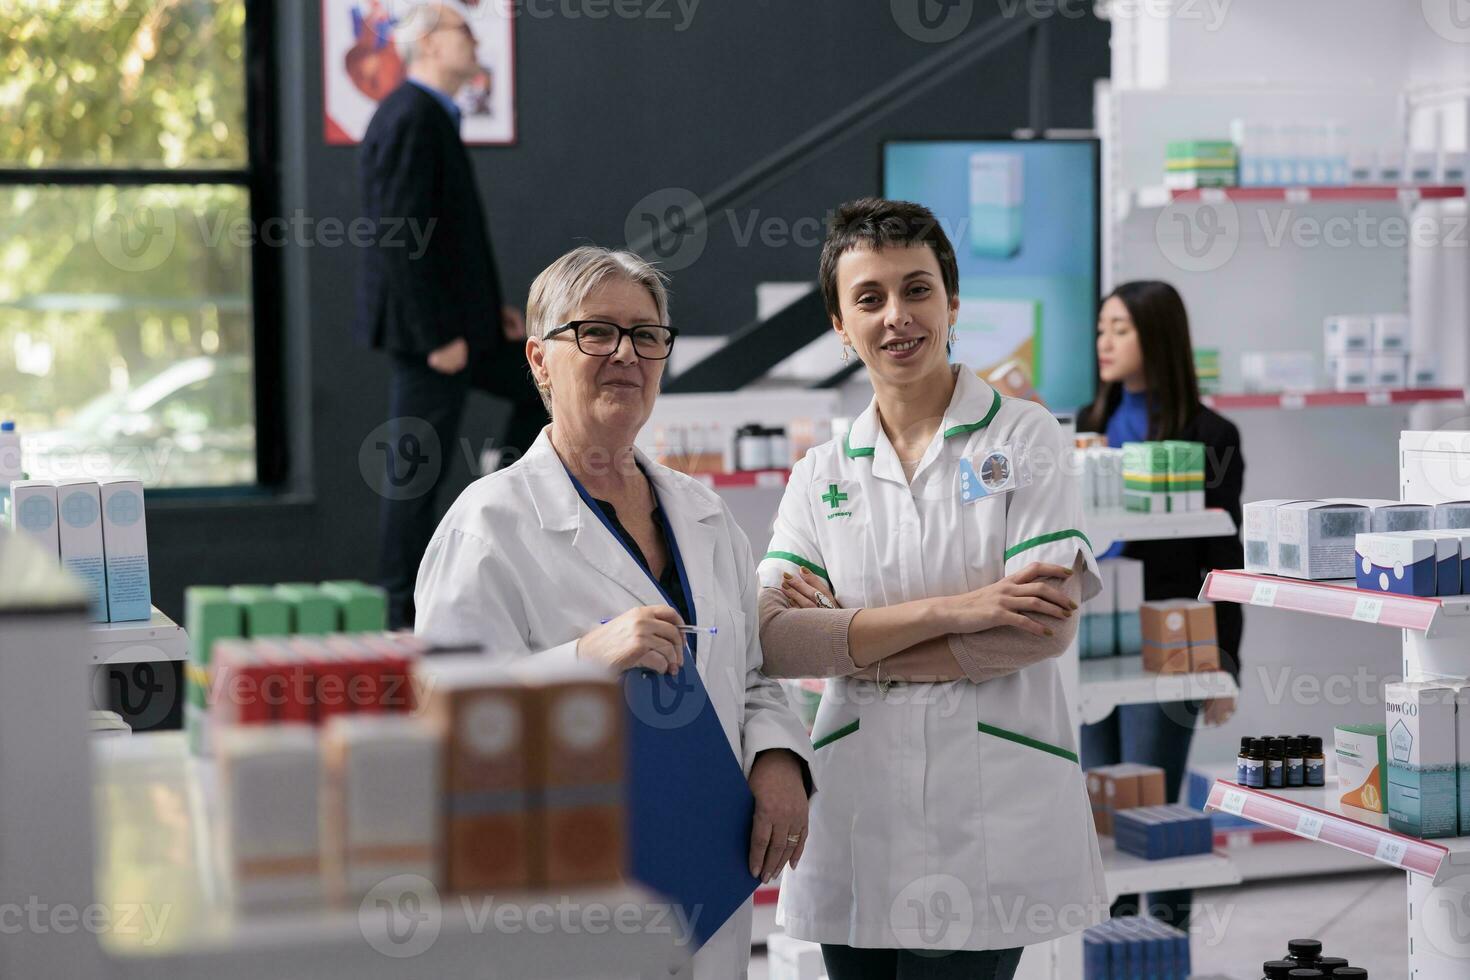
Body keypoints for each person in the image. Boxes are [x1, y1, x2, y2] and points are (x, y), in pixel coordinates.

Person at [413, 246, 813, 979]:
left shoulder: (704, 514)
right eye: (596, 332)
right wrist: (582, 661)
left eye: (646, 335)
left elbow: (751, 671)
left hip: (707, 877)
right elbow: (441, 718)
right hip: (571, 893)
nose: (625, 354)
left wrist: (781, 756)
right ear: (539, 359)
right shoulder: (489, 525)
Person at [757, 198, 1106, 980]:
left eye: (917, 290)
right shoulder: (823, 471)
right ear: (841, 327)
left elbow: (1036, 631)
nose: (897, 317)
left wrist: (853, 643)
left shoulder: (1023, 437)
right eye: (869, 298)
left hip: (991, 812)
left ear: (952, 303)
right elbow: (777, 639)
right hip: (857, 812)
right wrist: (960, 609)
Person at [353, 0, 545, 629]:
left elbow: (448, 236)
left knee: (545, 389)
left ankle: (503, 495)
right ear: (430, 43)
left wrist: (490, 313)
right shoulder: (410, 115)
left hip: (464, 328)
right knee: (414, 468)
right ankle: (393, 610)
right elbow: (399, 235)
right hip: (433, 335)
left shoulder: (432, 115)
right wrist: (439, 334)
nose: (475, 42)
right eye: (464, 31)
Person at [1077, 280, 1246, 931]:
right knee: (1102, 811)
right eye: (1100, 330)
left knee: (1156, 812)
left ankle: (1165, 947)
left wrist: (1223, 660)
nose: (1105, 342)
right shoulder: (1088, 427)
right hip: (1092, 645)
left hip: (1169, 649)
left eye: (1120, 328)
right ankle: (1113, 947)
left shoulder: (1210, 436)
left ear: (1159, 336)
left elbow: (1222, 561)